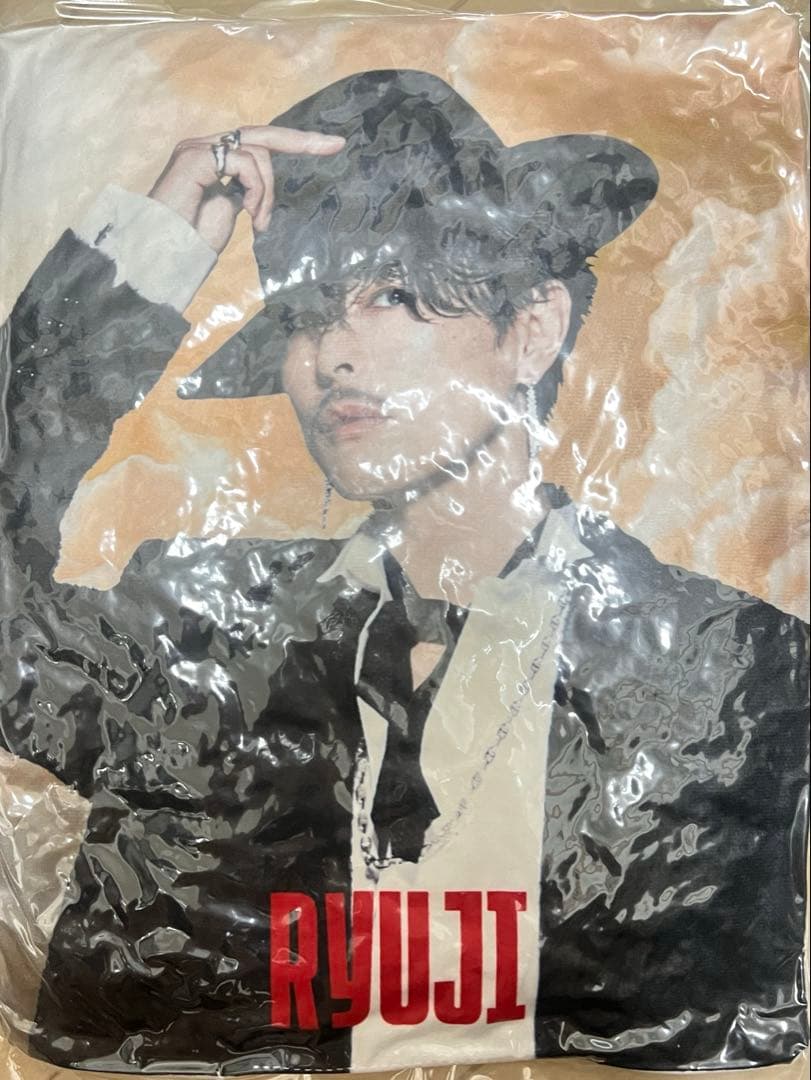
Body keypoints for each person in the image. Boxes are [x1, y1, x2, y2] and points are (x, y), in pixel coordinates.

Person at [0, 69, 807, 1074]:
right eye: (304, 312)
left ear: (531, 329)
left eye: (392, 295)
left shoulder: (733, 669)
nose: (333, 353)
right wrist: (142, 261)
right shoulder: (203, 630)